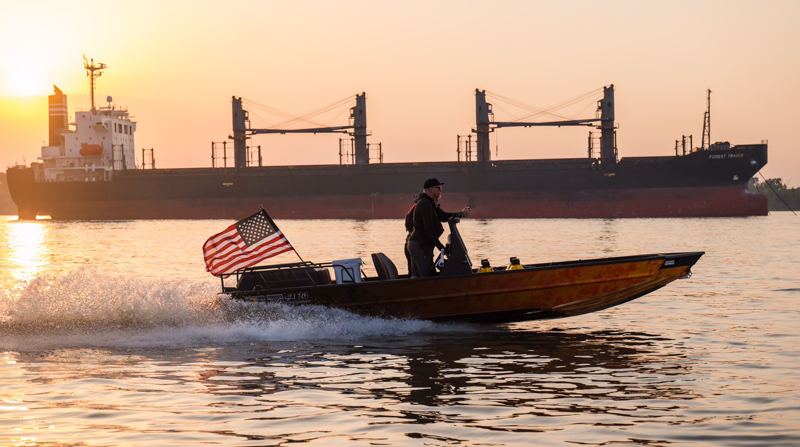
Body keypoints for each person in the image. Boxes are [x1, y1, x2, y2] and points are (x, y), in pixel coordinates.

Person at [406, 178, 471, 277]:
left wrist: (461, 214)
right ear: (430, 189)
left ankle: (416, 291)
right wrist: (440, 247)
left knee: (417, 276)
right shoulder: (424, 204)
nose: (441, 190)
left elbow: (444, 216)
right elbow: (429, 228)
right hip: (420, 245)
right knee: (426, 277)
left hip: (419, 245)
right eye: (439, 188)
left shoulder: (430, 203)